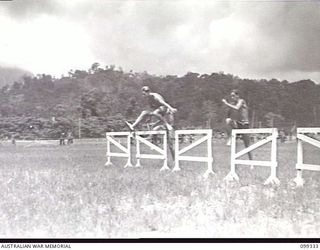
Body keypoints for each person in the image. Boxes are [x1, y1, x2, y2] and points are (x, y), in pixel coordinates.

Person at [222, 89, 253, 160]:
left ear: (237, 95)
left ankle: (251, 162)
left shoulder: (241, 101)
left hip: (245, 124)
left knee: (247, 145)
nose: (232, 97)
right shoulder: (233, 102)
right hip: (239, 123)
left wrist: (226, 103)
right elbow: (230, 110)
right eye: (231, 96)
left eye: (233, 96)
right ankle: (230, 137)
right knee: (228, 121)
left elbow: (237, 108)